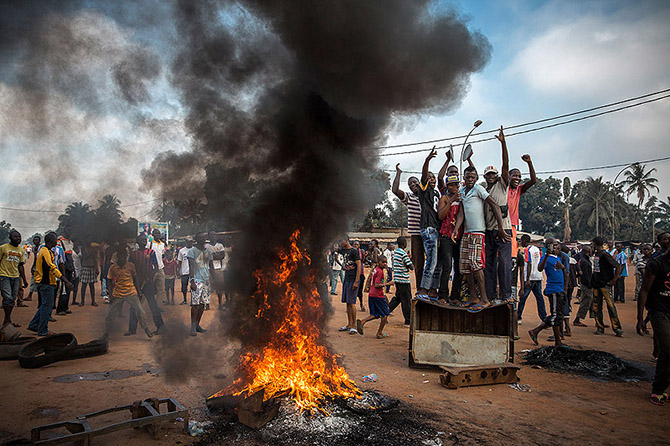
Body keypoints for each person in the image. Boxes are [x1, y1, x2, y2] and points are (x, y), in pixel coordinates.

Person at [453, 165, 509, 313]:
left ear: (476, 178)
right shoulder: (462, 192)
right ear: (464, 178)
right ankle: (473, 297)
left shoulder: (479, 189)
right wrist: (455, 230)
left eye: (473, 177)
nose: (470, 179)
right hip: (466, 232)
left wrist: (501, 228)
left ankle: (484, 298)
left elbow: (495, 206)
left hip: (478, 232)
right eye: (468, 177)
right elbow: (461, 213)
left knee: (475, 264)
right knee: (465, 266)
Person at [482, 127, 514, 304]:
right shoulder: (484, 189)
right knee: (489, 265)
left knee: (505, 263)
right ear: (485, 176)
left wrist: (503, 143)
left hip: (504, 230)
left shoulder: (502, 184)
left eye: (494, 174)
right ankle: (491, 295)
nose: (492, 176)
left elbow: (506, 165)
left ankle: (506, 294)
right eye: (489, 174)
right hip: (489, 230)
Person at [637, 244, 670, 406]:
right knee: (667, 349)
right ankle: (658, 388)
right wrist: (640, 318)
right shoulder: (656, 264)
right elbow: (644, 290)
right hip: (659, 311)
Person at [102, 245, 153, 340]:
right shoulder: (113, 267)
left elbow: (135, 279)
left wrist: (138, 291)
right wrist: (110, 294)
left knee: (140, 311)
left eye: (123, 256)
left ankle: (146, 330)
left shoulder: (131, 266)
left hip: (131, 292)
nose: (122, 258)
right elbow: (108, 280)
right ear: (117, 257)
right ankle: (106, 333)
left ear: (126, 256)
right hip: (117, 293)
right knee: (110, 314)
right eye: (120, 256)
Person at [27, 233, 72, 336]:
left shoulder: (48, 251)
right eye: (55, 240)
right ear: (50, 241)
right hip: (45, 282)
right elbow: (52, 267)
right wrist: (65, 280)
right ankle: (43, 330)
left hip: (47, 282)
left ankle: (33, 325)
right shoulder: (45, 251)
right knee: (47, 306)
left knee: (45, 305)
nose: (57, 242)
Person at [527, 238, 566, 347]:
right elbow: (540, 268)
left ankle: (537, 331)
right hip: (553, 289)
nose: (557, 247)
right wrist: (547, 255)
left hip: (559, 289)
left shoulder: (557, 258)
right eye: (554, 245)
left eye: (557, 245)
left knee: (558, 315)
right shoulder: (546, 257)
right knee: (556, 315)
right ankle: (555, 340)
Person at [416, 148, 443, 300]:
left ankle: (433, 289)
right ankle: (423, 289)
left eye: (433, 178)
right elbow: (424, 176)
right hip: (428, 229)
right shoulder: (424, 191)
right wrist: (427, 160)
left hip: (437, 229)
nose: (431, 179)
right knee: (431, 261)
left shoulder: (437, 193)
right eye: (429, 177)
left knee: (437, 262)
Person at [392, 163, 424, 287]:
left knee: (434, 262)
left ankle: (432, 289)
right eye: (410, 184)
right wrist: (399, 173)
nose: (412, 185)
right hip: (416, 234)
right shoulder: (409, 197)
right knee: (418, 264)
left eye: (415, 182)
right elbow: (395, 190)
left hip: (430, 233)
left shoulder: (428, 195)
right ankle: (420, 289)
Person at [128, 234, 165, 336]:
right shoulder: (133, 254)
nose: (144, 241)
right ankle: (132, 329)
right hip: (137, 283)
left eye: (145, 240)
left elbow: (156, 267)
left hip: (148, 283)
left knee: (153, 305)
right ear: (137, 242)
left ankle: (160, 327)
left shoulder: (151, 252)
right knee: (134, 306)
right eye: (142, 240)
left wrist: (150, 276)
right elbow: (130, 267)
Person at [437, 174, 463, 304]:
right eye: (453, 185)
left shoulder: (462, 199)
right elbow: (441, 215)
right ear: (448, 186)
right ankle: (442, 295)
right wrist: (451, 200)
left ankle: (455, 296)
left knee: (458, 268)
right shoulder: (444, 198)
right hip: (446, 236)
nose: (456, 187)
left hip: (458, 237)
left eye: (457, 185)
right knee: (447, 266)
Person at [591, 236, 623, 337]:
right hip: (596, 284)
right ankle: (599, 327)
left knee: (610, 306)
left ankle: (617, 328)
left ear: (595, 244)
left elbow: (618, 266)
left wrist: (614, 279)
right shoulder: (596, 254)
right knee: (596, 306)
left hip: (605, 284)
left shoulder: (605, 255)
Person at [356, 256, 393, 339]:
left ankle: (363, 321)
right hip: (377, 295)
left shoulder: (376, 269)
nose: (385, 264)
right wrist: (387, 284)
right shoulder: (380, 272)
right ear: (378, 262)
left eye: (386, 262)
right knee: (385, 315)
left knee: (376, 314)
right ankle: (379, 333)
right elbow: (377, 285)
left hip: (372, 294)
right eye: (383, 262)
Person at [507, 154, 537, 255]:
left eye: (519, 176)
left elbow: (533, 181)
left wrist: (529, 163)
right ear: (508, 176)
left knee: (511, 252)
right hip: (500, 224)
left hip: (511, 225)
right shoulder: (503, 188)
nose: (517, 178)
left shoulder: (519, 189)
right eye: (514, 175)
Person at [0, 230, 28, 328]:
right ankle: (7, 321)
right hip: (4, 275)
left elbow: (21, 266)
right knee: (7, 297)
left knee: (12, 299)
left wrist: (24, 279)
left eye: (19, 237)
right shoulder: (3, 248)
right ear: (10, 238)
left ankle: (8, 320)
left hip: (15, 277)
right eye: (16, 237)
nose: (18, 239)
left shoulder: (21, 250)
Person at [187, 232, 213, 336]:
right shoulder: (192, 251)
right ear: (196, 239)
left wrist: (215, 279)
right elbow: (191, 267)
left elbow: (211, 266)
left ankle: (197, 325)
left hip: (206, 280)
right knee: (195, 305)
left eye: (204, 238)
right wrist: (192, 280)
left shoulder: (208, 252)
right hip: (197, 280)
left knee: (203, 304)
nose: (203, 240)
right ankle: (192, 327)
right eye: (201, 238)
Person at [517, 235, 547, 323]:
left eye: (521, 241)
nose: (520, 243)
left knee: (523, 298)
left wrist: (528, 279)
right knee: (539, 298)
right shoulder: (536, 249)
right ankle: (543, 318)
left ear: (524, 241)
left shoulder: (527, 250)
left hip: (529, 278)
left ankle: (518, 317)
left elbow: (529, 263)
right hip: (538, 277)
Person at [338, 237, 361, 335]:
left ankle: (354, 326)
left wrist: (356, 281)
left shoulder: (354, 251)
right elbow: (334, 248)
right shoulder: (343, 250)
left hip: (353, 279)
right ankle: (349, 324)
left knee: (352, 303)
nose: (340, 243)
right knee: (347, 302)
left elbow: (359, 266)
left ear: (346, 240)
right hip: (346, 279)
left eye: (341, 241)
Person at [388, 236, 413, 325]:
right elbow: (411, 267)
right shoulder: (403, 254)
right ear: (404, 243)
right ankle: (408, 320)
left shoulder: (396, 253)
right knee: (406, 300)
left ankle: (386, 311)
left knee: (398, 298)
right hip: (404, 280)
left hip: (398, 279)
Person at [573, 245, 594, 327]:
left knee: (591, 302)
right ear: (588, 252)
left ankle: (598, 320)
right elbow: (586, 276)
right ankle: (577, 319)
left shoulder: (584, 260)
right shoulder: (585, 262)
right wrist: (589, 285)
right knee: (586, 302)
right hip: (586, 285)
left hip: (586, 284)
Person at [206, 232, 226, 309]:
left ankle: (220, 304)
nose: (213, 236)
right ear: (208, 236)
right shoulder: (206, 246)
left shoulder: (220, 245)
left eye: (214, 235)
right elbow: (206, 256)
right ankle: (207, 304)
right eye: (211, 235)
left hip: (218, 268)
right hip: (208, 269)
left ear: (216, 236)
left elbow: (222, 256)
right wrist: (216, 255)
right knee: (207, 287)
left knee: (219, 287)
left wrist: (211, 256)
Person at [148, 229, 167, 307]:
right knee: (148, 288)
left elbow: (162, 255)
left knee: (161, 290)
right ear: (152, 235)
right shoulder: (149, 244)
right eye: (156, 233)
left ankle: (158, 307)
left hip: (160, 269)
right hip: (152, 270)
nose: (158, 235)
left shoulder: (162, 244)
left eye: (159, 233)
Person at [177, 236, 194, 305]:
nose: (189, 243)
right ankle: (184, 300)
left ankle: (193, 301)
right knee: (184, 287)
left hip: (193, 271)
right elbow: (180, 261)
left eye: (191, 241)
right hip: (184, 271)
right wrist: (178, 270)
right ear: (186, 241)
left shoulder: (195, 250)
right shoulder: (182, 251)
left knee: (193, 287)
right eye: (188, 241)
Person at [25, 234, 42, 302]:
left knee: (36, 280)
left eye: (36, 240)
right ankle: (30, 295)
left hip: (39, 266)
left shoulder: (40, 248)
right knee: (34, 280)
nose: (34, 241)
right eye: (34, 240)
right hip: (36, 266)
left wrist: (33, 266)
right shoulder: (35, 247)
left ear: (39, 241)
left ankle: (30, 295)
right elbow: (35, 258)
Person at [352, 241, 367, 312]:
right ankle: (351, 306)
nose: (356, 245)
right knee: (352, 290)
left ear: (359, 246)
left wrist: (364, 256)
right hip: (353, 274)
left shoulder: (361, 252)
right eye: (354, 244)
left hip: (360, 273)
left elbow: (363, 262)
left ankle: (361, 304)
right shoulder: (351, 252)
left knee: (360, 291)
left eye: (357, 244)